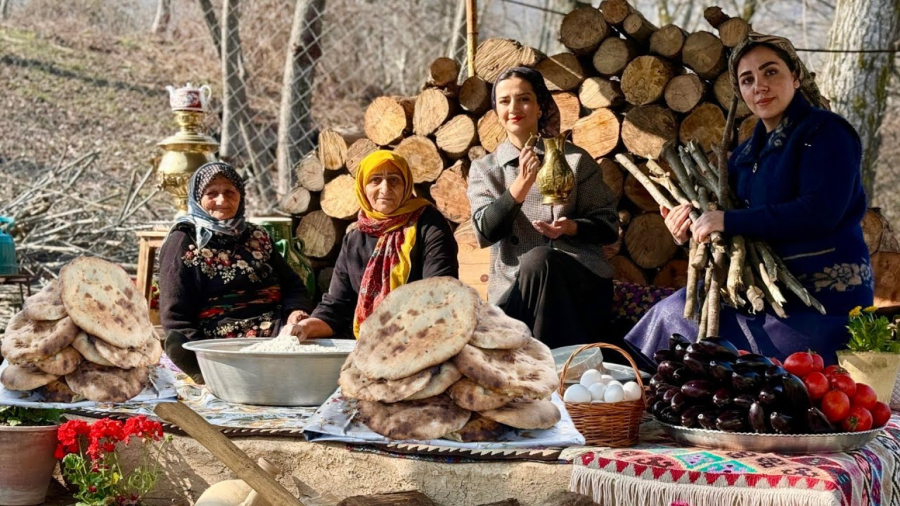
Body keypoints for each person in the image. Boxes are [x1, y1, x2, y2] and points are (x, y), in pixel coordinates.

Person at [625, 33, 873, 367]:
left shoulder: (826, 132)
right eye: (747, 79)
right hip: (758, 297)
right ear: (740, 92)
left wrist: (727, 220)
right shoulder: (743, 156)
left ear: (795, 77)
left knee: (730, 353)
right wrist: (690, 230)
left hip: (822, 304)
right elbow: (730, 233)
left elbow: (820, 212)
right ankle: (625, 405)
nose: (760, 85)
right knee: (672, 313)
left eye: (771, 72)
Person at [466, 66, 619, 349]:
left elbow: (608, 226)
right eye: (504, 101)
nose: (514, 108)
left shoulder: (573, 160)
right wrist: (520, 186)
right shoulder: (485, 170)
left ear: (540, 107)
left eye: (524, 99)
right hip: (514, 293)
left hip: (578, 285)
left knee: (541, 259)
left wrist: (571, 227)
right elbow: (484, 232)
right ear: (496, 111)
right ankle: (558, 367)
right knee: (536, 260)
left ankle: (537, 367)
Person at [159, 162, 312, 378]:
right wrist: (203, 356)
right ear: (197, 199)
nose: (222, 201)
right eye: (212, 193)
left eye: (230, 192)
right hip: (221, 336)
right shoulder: (183, 241)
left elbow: (293, 286)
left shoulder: (257, 235)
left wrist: (294, 313)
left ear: (241, 196)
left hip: (277, 327)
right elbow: (174, 315)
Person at [285, 150, 459, 340]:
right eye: (375, 180)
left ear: (406, 185)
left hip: (420, 339)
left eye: (394, 180)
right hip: (368, 344)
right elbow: (336, 306)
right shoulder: (355, 239)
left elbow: (439, 292)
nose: (385, 189)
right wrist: (305, 327)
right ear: (362, 187)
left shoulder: (429, 224)